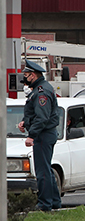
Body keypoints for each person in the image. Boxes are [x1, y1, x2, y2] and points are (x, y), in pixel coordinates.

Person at [18, 60, 61, 212]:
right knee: (47, 170)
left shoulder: (41, 92)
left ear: (33, 75)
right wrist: (25, 122)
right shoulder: (39, 89)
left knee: (42, 171)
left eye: (26, 75)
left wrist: (32, 135)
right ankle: (54, 201)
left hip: (43, 135)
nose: (24, 78)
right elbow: (37, 114)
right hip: (45, 134)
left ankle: (44, 204)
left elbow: (42, 117)